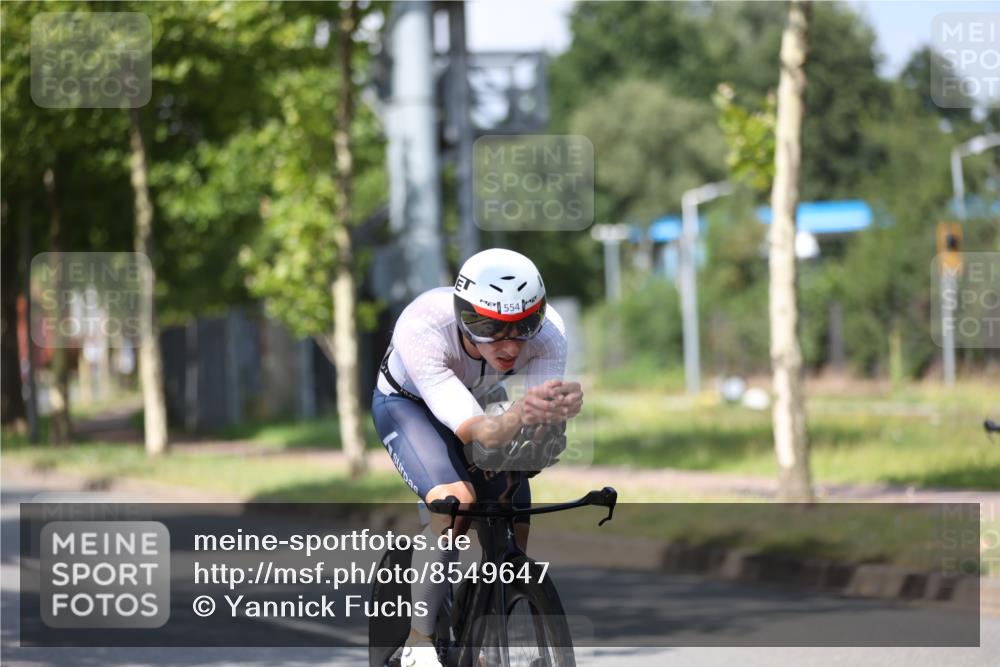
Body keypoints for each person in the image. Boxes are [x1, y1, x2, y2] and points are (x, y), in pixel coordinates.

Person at [371, 247, 583, 667]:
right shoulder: (423, 326)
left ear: (538, 317)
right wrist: (526, 414)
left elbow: (533, 427)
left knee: (513, 512)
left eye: (522, 327)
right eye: (486, 327)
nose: (507, 345)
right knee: (457, 503)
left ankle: (491, 629)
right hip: (410, 406)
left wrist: (541, 435)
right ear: (462, 314)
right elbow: (477, 431)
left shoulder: (549, 334)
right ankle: (418, 640)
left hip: (482, 402)